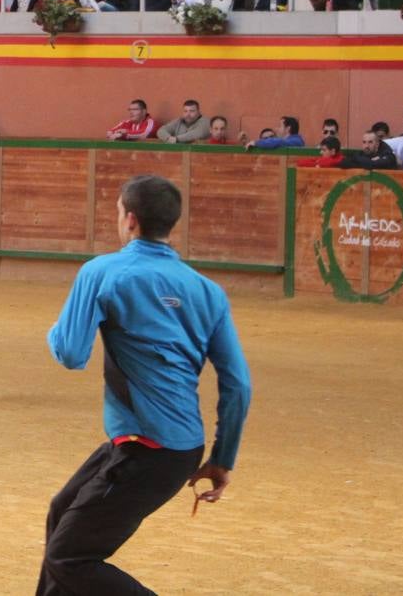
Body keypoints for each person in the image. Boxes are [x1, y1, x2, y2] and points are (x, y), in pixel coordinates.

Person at [39, 173, 250, 595]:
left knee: (70, 556)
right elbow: (238, 384)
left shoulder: (102, 272)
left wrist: (56, 329)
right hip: (177, 449)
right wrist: (222, 459)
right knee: (63, 512)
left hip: (147, 449)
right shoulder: (207, 291)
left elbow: (70, 354)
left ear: (130, 220)